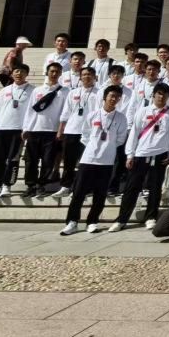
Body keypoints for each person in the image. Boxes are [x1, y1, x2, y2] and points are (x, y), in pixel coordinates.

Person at [61, 85, 128, 235]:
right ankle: (72, 222)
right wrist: (94, 146)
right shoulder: (93, 115)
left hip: (107, 160)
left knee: (100, 193)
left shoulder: (121, 118)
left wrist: (107, 146)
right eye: (111, 96)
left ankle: (92, 221)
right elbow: (85, 135)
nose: (114, 99)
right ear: (105, 97)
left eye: (117, 97)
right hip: (88, 158)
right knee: (79, 192)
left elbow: (120, 139)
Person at [111, 83, 169, 231]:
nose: (161, 97)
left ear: (168, 96)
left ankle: (151, 217)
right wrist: (130, 154)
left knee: (155, 188)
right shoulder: (143, 111)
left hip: (160, 154)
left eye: (165, 94)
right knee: (131, 188)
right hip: (141, 153)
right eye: (159, 93)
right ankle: (121, 219)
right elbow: (134, 132)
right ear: (153, 94)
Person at [21, 62, 67, 198]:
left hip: (52, 131)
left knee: (48, 160)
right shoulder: (37, 90)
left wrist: (61, 130)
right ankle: (30, 185)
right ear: (47, 72)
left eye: (57, 71)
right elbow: (30, 110)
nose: (54, 74)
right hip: (35, 130)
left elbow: (65, 113)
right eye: (52, 71)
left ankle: (42, 185)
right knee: (31, 160)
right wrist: (26, 128)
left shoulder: (65, 91)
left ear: (60, 74)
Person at [0, 64, 33, 199]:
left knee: (13, 158)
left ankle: (7, 185)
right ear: (12, 74)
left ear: (26, 74)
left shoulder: (33, 90)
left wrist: (27, 129)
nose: (19, 74)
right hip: (1, 128)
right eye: (16, 71)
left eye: (22, 72)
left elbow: (32, 112)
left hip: (18, 129)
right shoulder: (5, 90)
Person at [53, 66, 99, 199]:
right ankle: (65, 186)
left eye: (89, 74)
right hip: (71, 130)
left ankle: (82, 187)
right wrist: (61, 129)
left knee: (85, 162)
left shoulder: (99, 93)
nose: (86, 77)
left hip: (88, 132)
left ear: (95, 77)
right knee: (69, 161)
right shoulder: (73, 92)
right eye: (84, 74)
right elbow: (66, 112)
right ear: (80, 77)